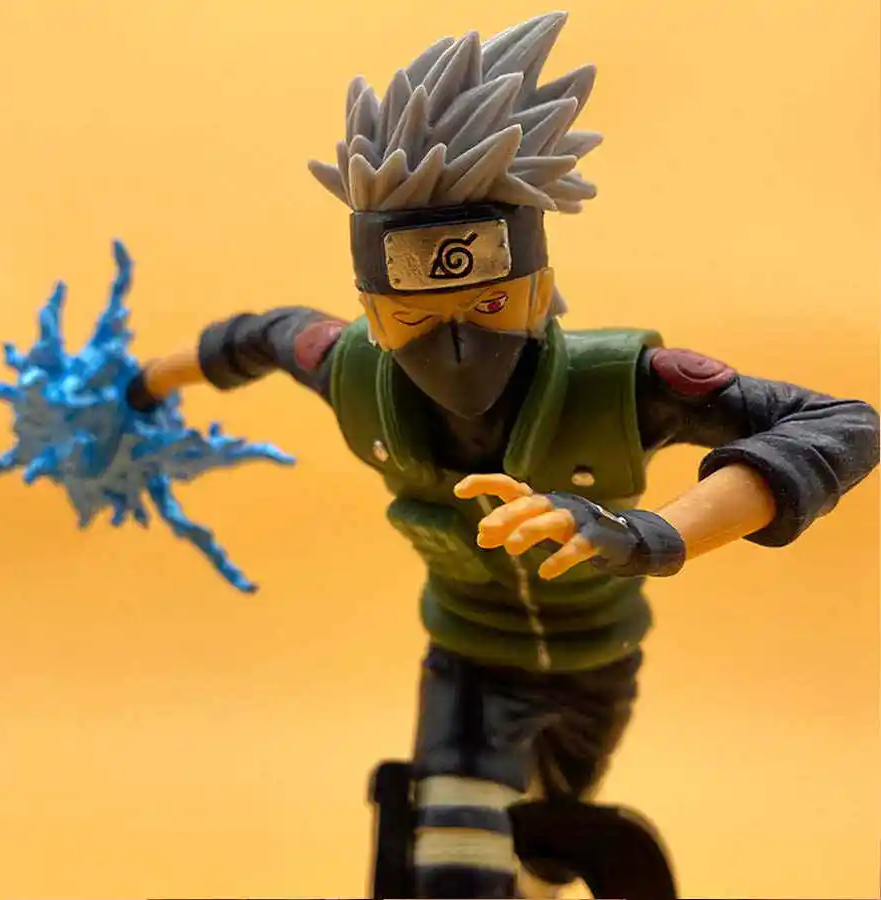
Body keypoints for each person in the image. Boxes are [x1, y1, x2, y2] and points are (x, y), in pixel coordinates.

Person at [124, 12, 880, 898]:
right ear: (374, 312)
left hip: (598, 663)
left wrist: (650, 533)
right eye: (415, 316)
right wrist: (140, 386)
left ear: (539, 288)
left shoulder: (620, 384)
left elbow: (842, 425)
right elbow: (257, 338)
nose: (454, 344)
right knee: (456, 864)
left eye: (488, 307)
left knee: (546, 854)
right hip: (468, 664)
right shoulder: (352, 371)